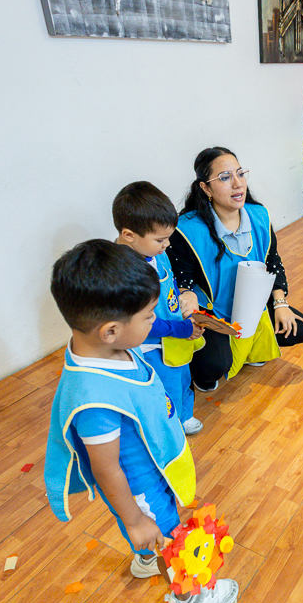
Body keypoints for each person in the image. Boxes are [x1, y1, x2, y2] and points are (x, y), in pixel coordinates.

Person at [44, 240, 238, 603]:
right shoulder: (94, 400)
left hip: (151, 469)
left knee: (157, 532)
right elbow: (105, 469)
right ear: (111, 331)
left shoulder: (104, 346)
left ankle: (147, 556)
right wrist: (134, 519)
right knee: (171, 539)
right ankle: (187, 600)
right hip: (140, 488)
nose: (154, 321)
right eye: (149, 316)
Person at [167, 147, 303, 392]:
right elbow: (182, 278)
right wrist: (186, 293)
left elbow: (273, 261)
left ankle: (249, 349)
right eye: (225, 177)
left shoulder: (259, 215)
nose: (238, 184)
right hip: (213, 313)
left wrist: (280, 304)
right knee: (213, 366)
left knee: (300, 328)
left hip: (252, 306)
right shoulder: (187, 229)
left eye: (240, 173)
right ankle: (207, 370)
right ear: (205, 188)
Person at [113, 181, 205, 435]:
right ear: (129, 235)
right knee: (166, 387)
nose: (167, 244)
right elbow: (141, 322)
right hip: (152, 346)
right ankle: (169, 428)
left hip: (175, 333)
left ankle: (184, 415)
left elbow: (169, 282)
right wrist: (182, 329)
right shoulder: (124, 273)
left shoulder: (156, 252)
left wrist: (184, 303)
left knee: (183, 377)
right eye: (160, 240)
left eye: (168, 238)